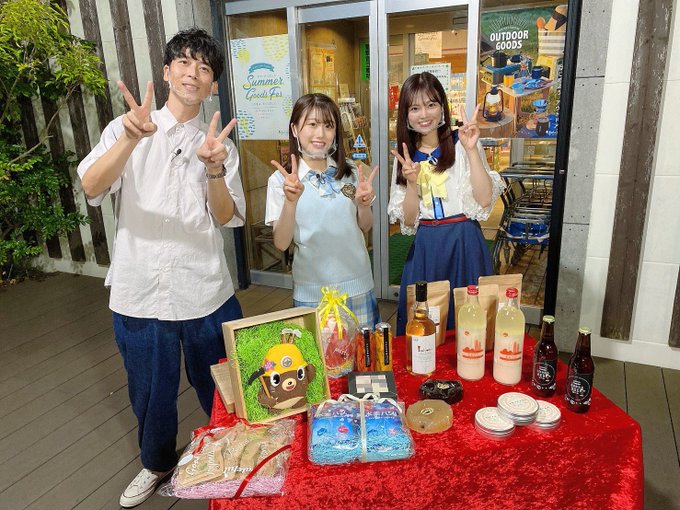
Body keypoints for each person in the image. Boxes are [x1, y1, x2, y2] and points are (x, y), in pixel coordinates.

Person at [77, 28, 245, 508]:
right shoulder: (126, 126)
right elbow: (91, 186)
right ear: (167, 71)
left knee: (222, 381)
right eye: (185, 63)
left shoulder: (219, 146)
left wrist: (213, 168)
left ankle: (228, 451)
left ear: (213, 85)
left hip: (205, 289)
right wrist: (131, 139)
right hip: (140, 290)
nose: (194, 73)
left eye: (205, 68)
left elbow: (225, 217)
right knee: (150, 391)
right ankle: (156, 463)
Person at [387, 72, 503, 336]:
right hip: (426, 247)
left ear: (442, 107)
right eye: (415, 108)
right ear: (406, 114)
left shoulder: (462, 143)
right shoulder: (405, 157)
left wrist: (471, 150)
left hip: (465, 243)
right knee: (424, 328)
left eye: (431, 104)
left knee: (470, 326)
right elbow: (408, 221)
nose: (424, 114)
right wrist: (412, 183)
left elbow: (485, 199)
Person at [265, 93, 380, 327]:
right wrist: (290, 202)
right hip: (312, 294)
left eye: (328, 126)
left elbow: (365, 226)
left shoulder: (352, 172)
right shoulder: (280, 181)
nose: (320, 134)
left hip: (358, 286)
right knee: (317, 353)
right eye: (312, 124)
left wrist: (363, 205)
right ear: (295, 129)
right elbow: (281, 243)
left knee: (363, 352)